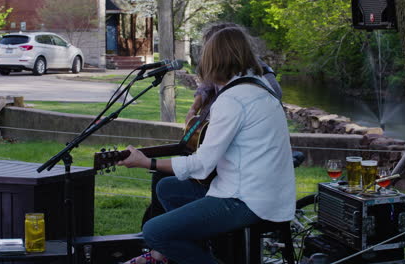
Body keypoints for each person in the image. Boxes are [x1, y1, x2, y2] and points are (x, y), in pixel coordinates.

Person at [120, 27, 295, 264]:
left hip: (247, 200)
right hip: (264, 192)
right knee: (168, 188)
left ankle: (190, 256)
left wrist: (145, 162)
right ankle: (195, 252)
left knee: (154, 231)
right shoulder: (258, 85)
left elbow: (201, 165)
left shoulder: (233, 99)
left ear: (213, 61)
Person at [141, 22, 284, 228]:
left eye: (208, 49)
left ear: (220, 53)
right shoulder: (234, 83)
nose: (205, 58)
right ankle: (188, 238)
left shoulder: (249, 88)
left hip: (246, 188)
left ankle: (173, 240)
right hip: (235, 172)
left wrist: (147, 162)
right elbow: (207, 86)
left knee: (155, 227)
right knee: (165, 184)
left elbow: (203, 164)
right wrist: (194, 110)